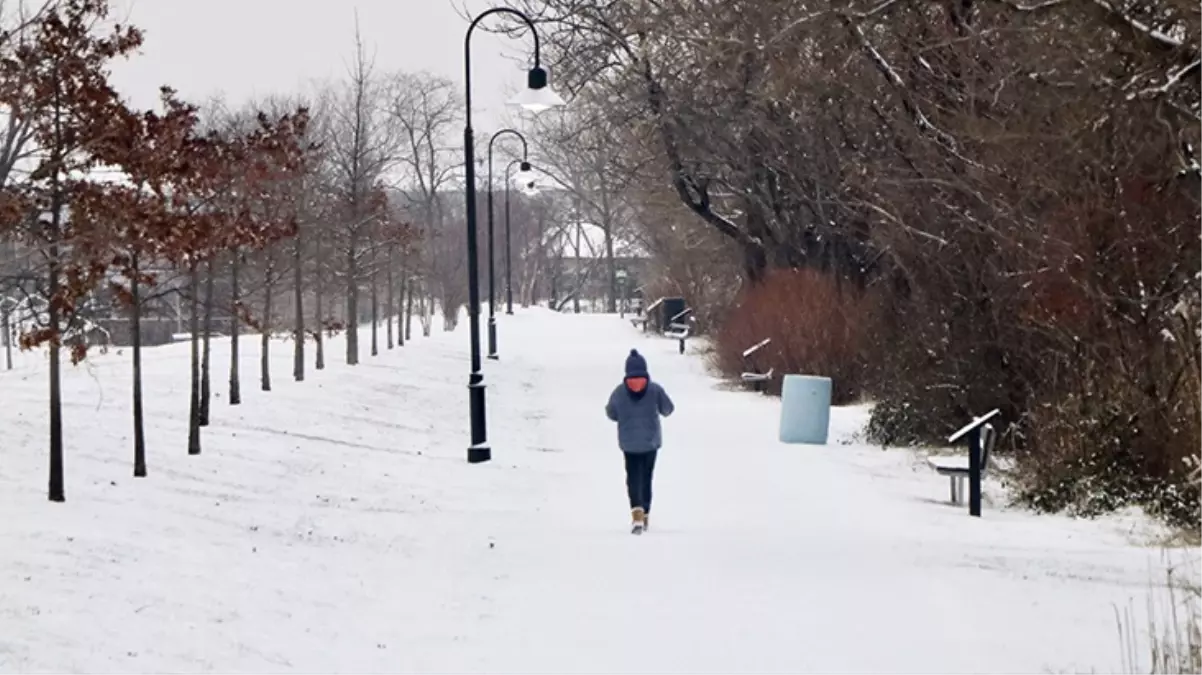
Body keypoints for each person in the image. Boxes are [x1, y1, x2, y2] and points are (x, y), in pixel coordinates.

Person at [605, 349, 675, 533]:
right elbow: (668, 409)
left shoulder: (619, 392)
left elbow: (611, 413)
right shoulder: (654, 390)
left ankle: (636, 513)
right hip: (650, 442)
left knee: (632, 477)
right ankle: (645, 515)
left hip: (629, 443)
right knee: (646, 478)